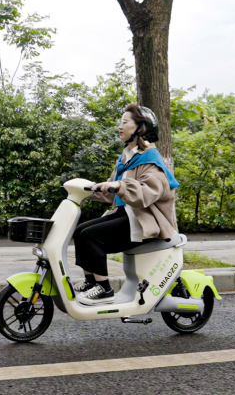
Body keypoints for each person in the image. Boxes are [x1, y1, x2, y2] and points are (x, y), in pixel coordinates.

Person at [73, 104, 179, 305]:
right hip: (127, 214)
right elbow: (114, 192)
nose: (120, 126)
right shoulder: (126, 158)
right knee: (79, 231)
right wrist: (89, 191)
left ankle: (104, 289)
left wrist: (119, 185)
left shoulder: (151, 159)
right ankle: (90, 282)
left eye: (125, 122)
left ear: (141, 128)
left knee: (90, 236)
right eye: (120, 122)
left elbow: (148, 191)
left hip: (146, 220)